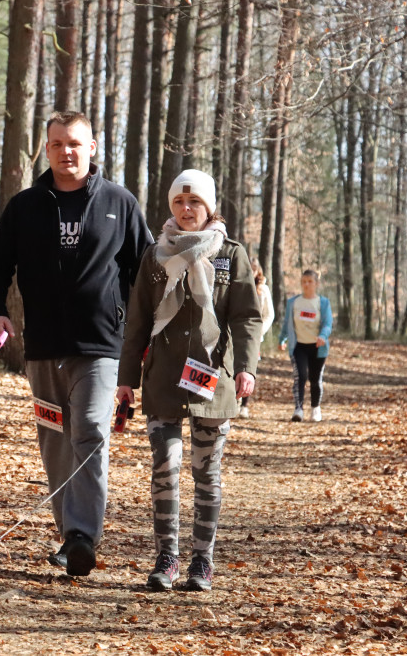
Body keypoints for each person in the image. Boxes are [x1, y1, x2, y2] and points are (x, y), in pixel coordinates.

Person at [0, 111, 153, 577]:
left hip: (102, 346)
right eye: (57, 144)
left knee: (91, 432)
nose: (66, 152)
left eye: (74, 143)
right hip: (42, 348)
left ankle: (81, 535)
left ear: (93, 146)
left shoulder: (120, 202)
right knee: (55, 439)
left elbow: (146, 272)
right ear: (47, 149)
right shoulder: (25, 206)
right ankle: (70, 535)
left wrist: (144, 339)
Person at [116, 169, 263, 592]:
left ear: (209, 207)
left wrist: (246, 367)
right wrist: (127, 379)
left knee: (206, 470)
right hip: (163, 378)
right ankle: (167, 557)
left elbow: (246, 317)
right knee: (165, 465)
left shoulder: (230, 254)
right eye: (179, 203)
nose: (186, 210)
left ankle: (202, 561)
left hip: (212, 381)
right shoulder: (155, 255)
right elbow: (138, 321)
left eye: (195, 202)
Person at [279, 269, 333, 423]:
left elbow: (328, 324)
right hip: (299, 346)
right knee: (300, 376)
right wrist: (281, 339)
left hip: (318, 347)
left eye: (310, 281)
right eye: (304, 281)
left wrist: (323, 336)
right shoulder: (293, 302)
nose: (306, 284)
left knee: (315, 379)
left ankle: (315, 408)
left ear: (316, 283)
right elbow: (287, 324)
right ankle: (298, 409)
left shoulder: (323, 303)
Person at [238, 257, 274, 418]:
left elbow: (269, 314)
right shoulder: (238, 285)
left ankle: (244, 405)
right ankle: (234, 400)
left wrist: (259, 331)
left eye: (253, 269)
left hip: (254, 336)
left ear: (257, 270)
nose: (250, 272)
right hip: (236, 334)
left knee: (248, 368)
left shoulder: (263, 289)